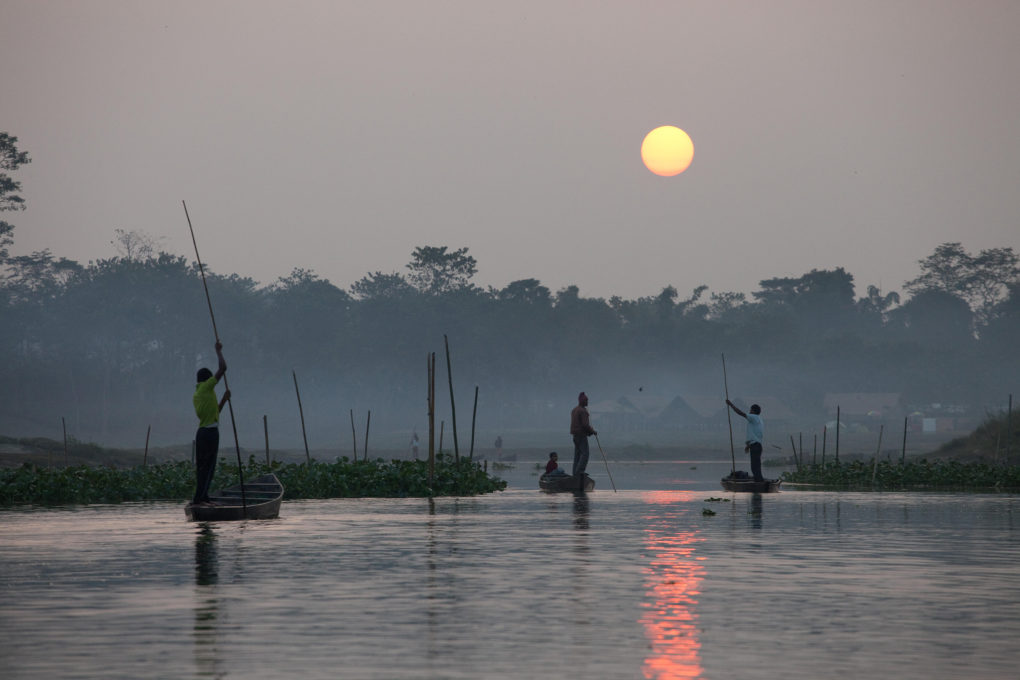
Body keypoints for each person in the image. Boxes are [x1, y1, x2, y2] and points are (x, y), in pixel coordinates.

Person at [192, 341, 230, 507]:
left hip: (202, 433)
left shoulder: (198, 394)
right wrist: (218, 351)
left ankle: (203, 496)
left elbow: (215, 414)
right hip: (210, 434)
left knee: (204, 466)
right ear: (207, 380)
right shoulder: (206, 388)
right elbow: (223, 369)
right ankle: (200, 499)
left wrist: (224, 400)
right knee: (208, 466)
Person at [725, 399, 765, 482]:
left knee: (754, 467)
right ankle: (759, 481)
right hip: (757, 445)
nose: (749, 411)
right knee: (756, 466)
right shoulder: (759, 419)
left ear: (753, 411)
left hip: (755, 446)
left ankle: (759, 483)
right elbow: (755, 435)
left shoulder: (753, 417)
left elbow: (741, 413)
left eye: (750, 410)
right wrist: (748, 446)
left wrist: (731, 405)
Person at [569, 392, 596, 478]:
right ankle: (579, 472)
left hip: (575, 435)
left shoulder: (574, 410)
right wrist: (592, 431)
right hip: (581, 435)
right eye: (586, 400)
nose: (587, 402)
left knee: (577, 455)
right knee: (585, 454)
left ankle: (575, 474)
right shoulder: (583, 411)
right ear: (582, 401)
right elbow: (585, 425)